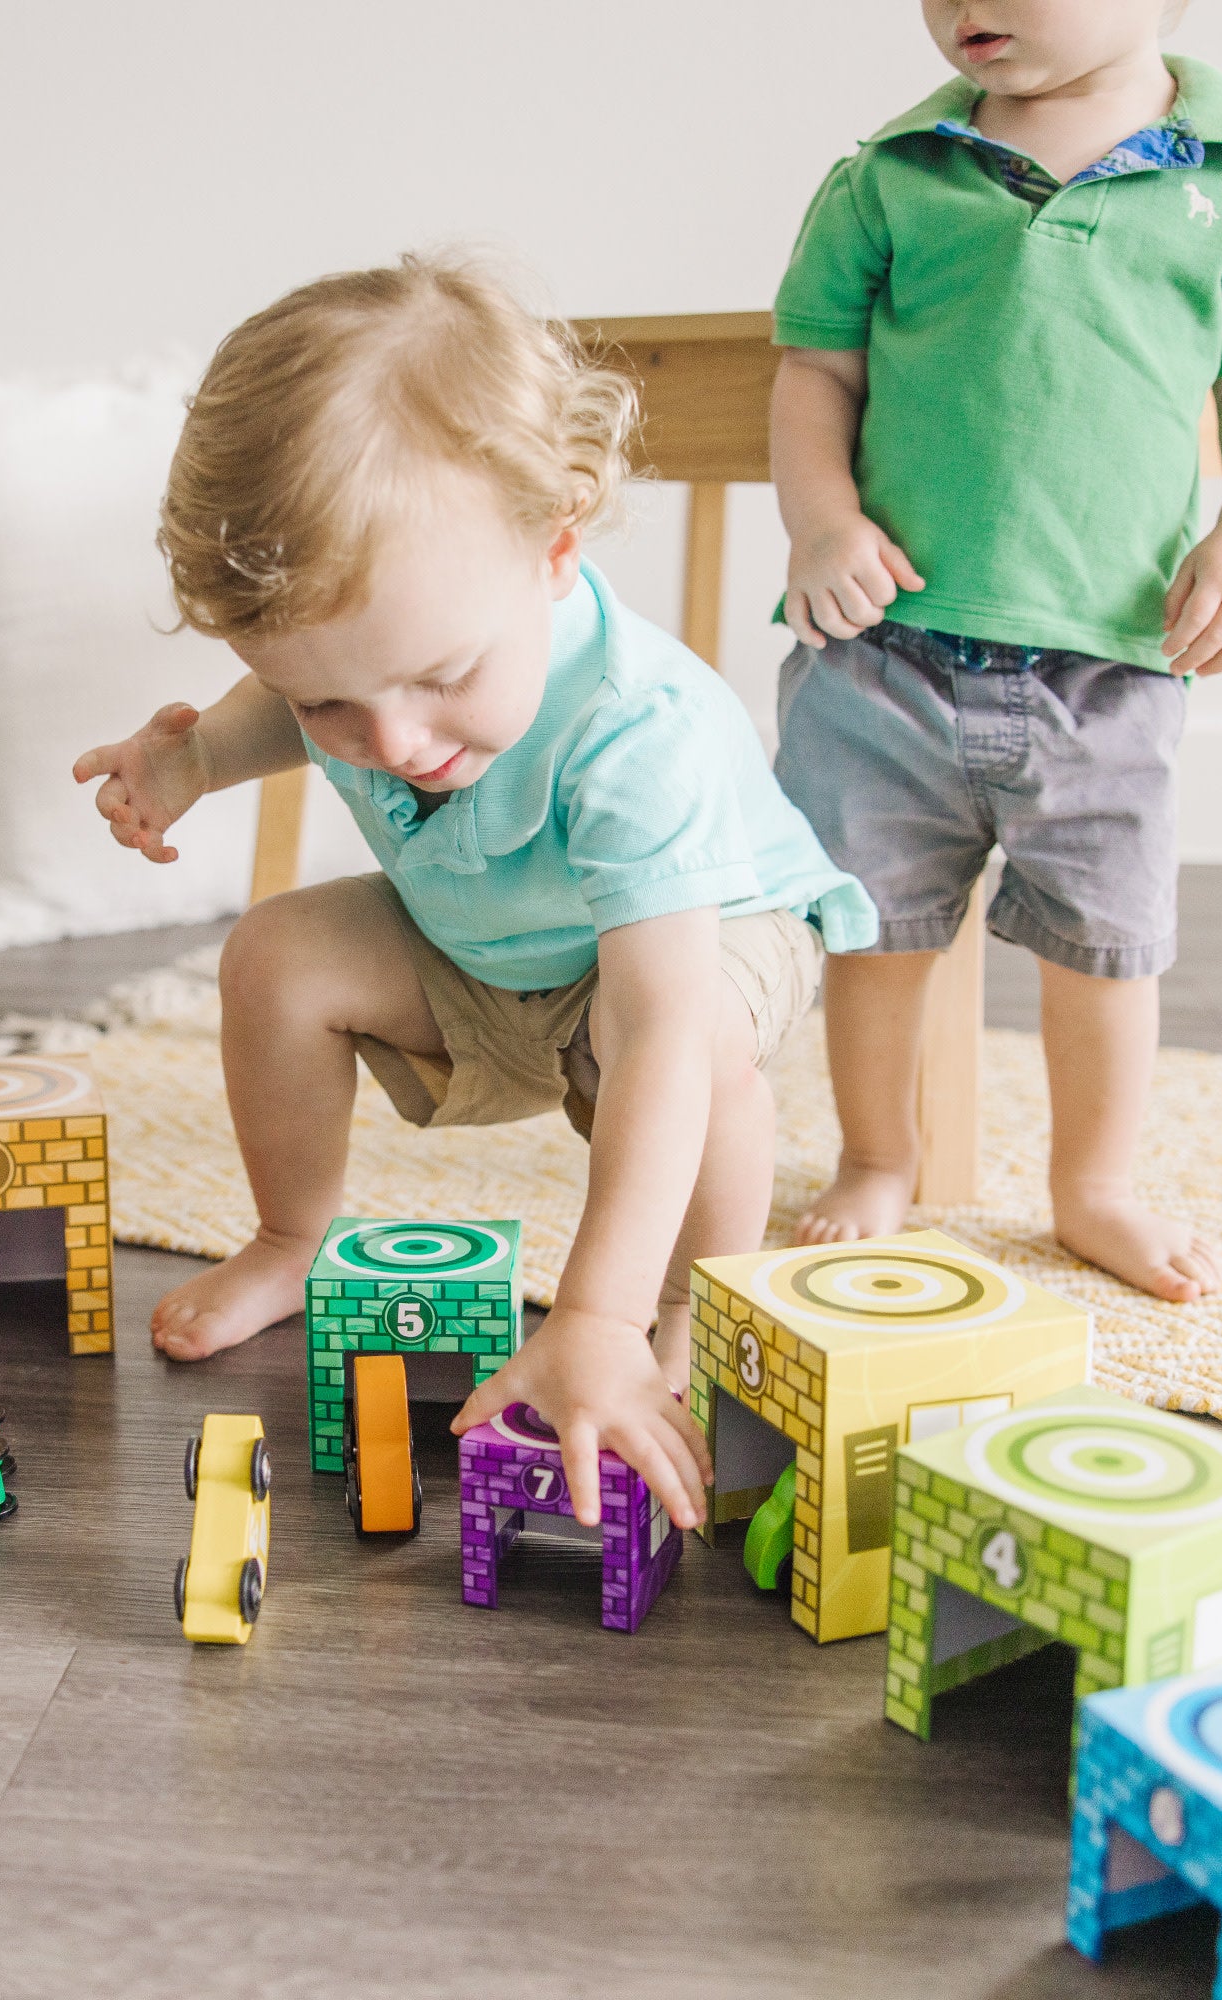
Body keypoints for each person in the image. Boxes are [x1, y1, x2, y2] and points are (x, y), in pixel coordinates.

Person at [74, 257, 876, 1528]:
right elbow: (282, 708)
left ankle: (682, 1302)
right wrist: (199, 756)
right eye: (326, 695)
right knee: (275, 954)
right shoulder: (377, 681)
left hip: (699, 944)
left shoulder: (634, 730)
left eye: (437, 675)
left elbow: (660, 1028)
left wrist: (593, 1313)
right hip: (494, 940)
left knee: (689, 1046)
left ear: (553, 549)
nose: (389, 737)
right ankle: (293, 1238)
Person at [770, 0, 1222, 1301]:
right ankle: (874, 1154)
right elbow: (816, 370)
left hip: (1112, 660)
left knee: (1105, 942)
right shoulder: (889, 170)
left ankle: (1095, 1187)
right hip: (886, 652)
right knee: (874, 930)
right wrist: (823, 522)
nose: (971, 5)